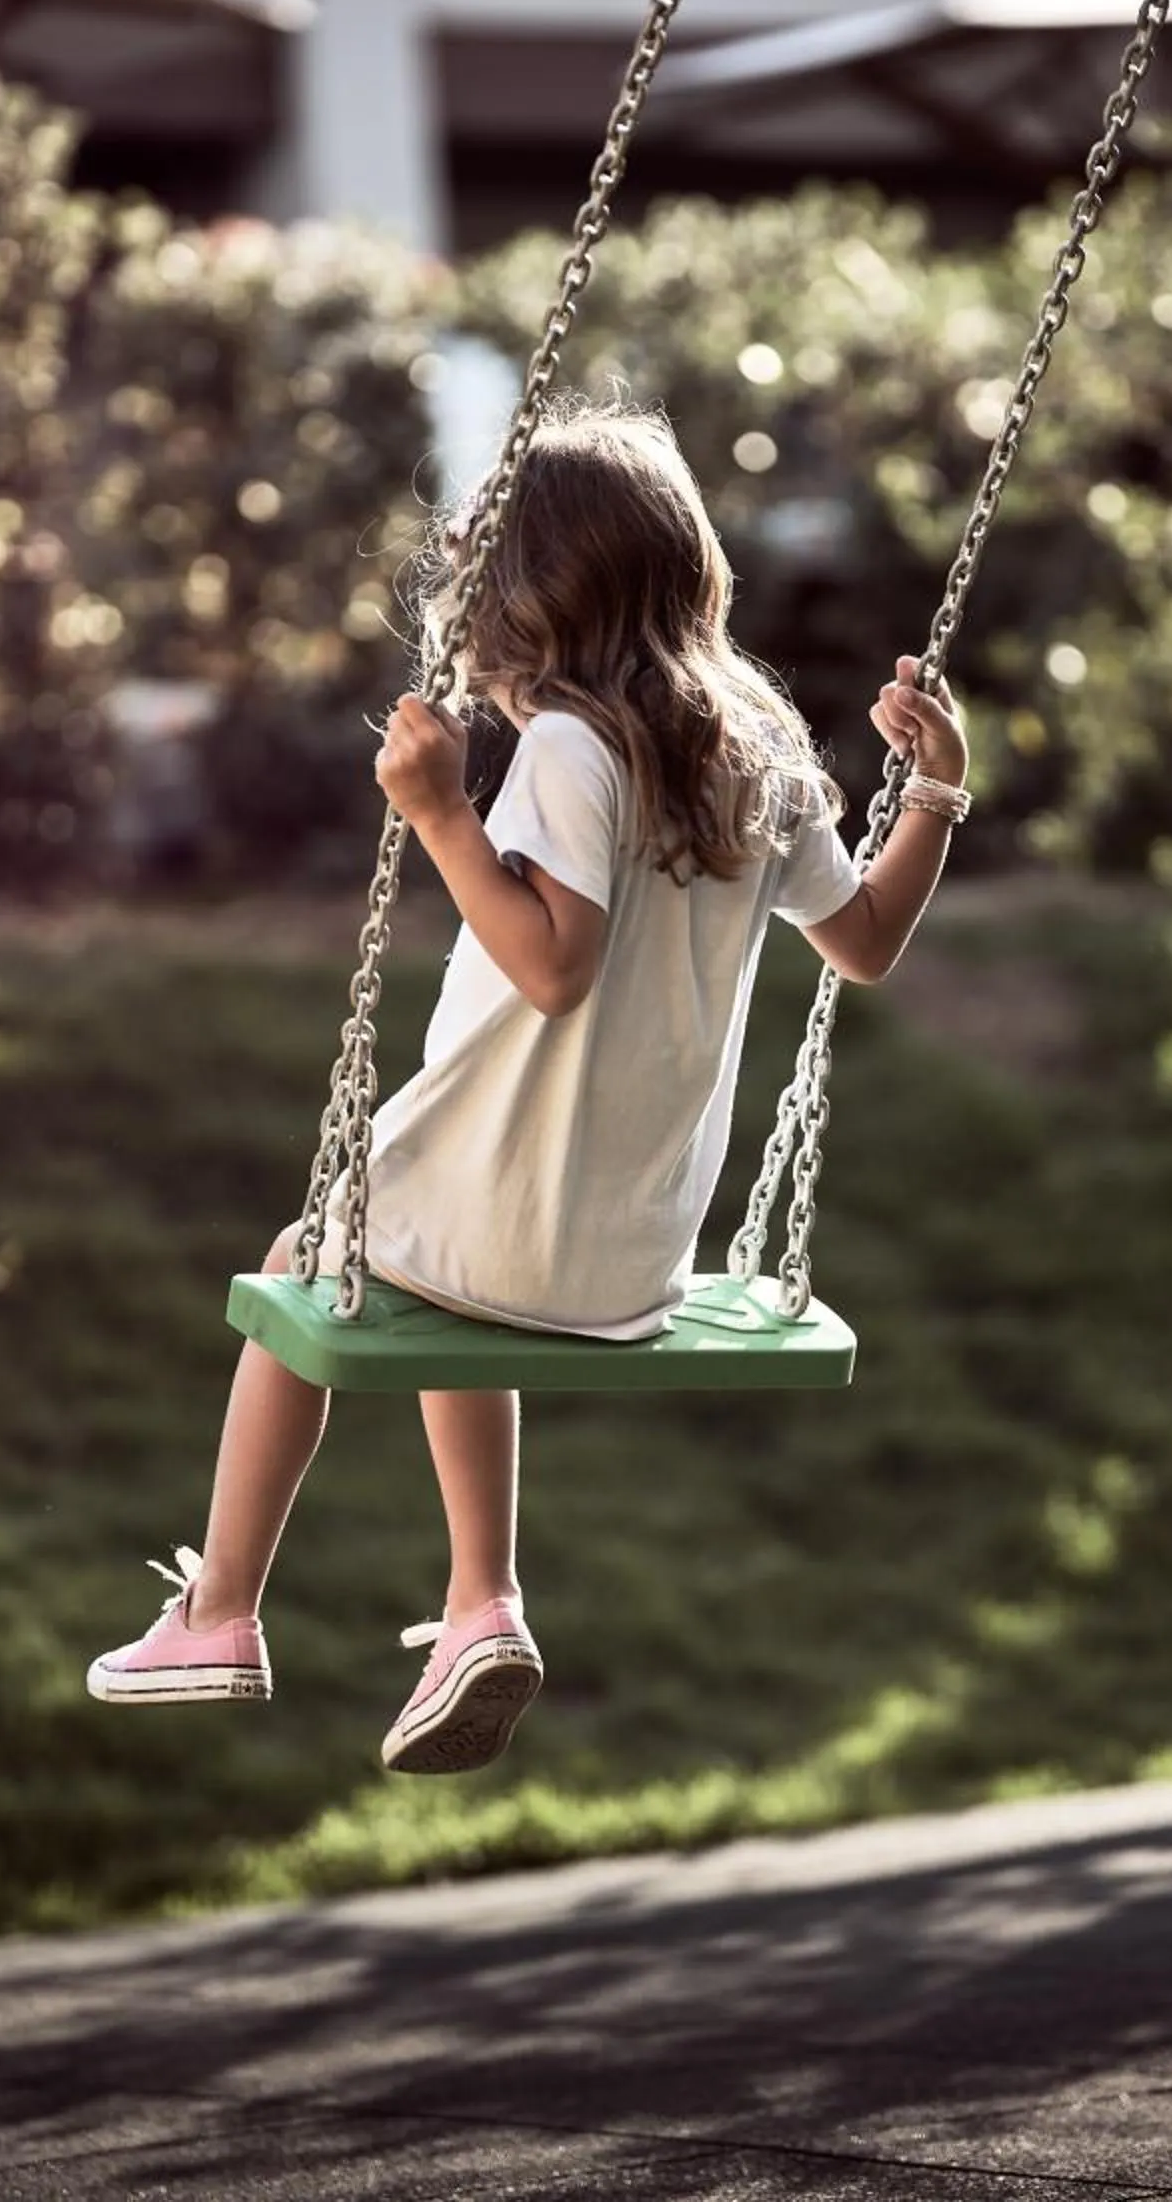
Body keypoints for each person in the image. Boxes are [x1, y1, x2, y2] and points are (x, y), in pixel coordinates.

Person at [87, 402, 969, 1773]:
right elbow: (864, 945)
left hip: (500, 1194)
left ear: (542, 599)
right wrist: (934, 797)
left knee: (299, 1269)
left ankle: (221, 1612)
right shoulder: (763, 753)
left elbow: (555, 965)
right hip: (630, 1257)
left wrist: (440, 817)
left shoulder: (571, 745)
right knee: (446, 1287)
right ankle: (476, 1604)